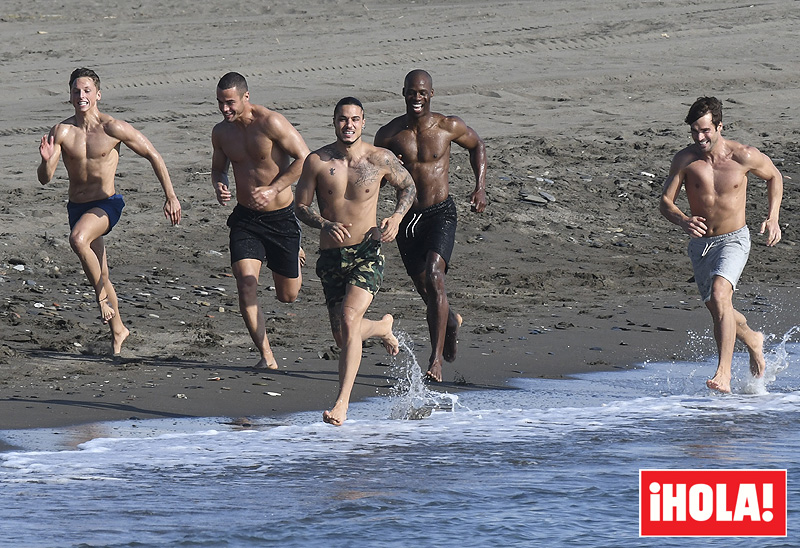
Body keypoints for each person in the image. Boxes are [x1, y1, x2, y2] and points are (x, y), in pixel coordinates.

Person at [38, 67, 182, 355]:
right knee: (100, 272)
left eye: (87, 90)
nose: (81, 95)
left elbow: (153, 154)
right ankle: (119, 330)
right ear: (69, 95)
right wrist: (45, 161)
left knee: (78, 240)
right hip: (77, 207)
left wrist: (171, 196)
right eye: (76, 91)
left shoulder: (112, 128)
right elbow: (45, 178)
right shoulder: (62, 132)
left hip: (107, 204)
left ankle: (103, 301)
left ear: (98, 94)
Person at [295, 97, 416, 425]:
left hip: (367, 253)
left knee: (348, 320)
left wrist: (396, 216)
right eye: (342, 119)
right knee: (343, 335)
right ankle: (380, 327)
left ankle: (342, 405)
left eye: (355, 120)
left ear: (363, 123)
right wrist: (323, 223)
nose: (348, 125)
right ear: (334, 122)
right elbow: (300, 206)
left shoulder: (380, 159)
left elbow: (408, 186)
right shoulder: (317, 161)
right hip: (331, 257)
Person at [660, 96, 783, 393]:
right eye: (694, 131)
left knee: (719, 294)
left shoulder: (744, 156)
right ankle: (753, 340)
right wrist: (682, 220)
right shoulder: (686, 160)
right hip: (701, 245)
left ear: (719, 126)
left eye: (705, 130)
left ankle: (723, 373)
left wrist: (773, 217)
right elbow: (665, 202)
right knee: (719, 307)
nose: (700, 137)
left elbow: (774, 176)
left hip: (734, 239)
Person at [374, 69, 487, 382]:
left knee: (436, 278)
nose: (417, 98)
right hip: (408, 217)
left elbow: (477, 146)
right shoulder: (388, 135)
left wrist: (480, 187)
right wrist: (388, 167)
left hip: (440, 213)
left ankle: (434, 362)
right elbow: (376, 180)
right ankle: (449, 322)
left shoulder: (448, 126)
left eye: (422, 92)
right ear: (404, 93)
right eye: (412, 92)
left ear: (431, 94)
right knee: (427, 290)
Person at [211, 72, 311, 370]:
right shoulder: (221, 132)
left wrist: (274, 189)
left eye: (230, 103)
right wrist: (219, 184)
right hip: (246, 219)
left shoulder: (271, 123)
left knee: (287, 296)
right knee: (246, 283)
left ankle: (294, 251)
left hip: (281, 217)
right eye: (220, 103)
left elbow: (305, 158)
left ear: (246, 97)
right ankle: (267, 356)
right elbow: (218, 169)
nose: (225, 109)